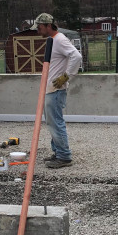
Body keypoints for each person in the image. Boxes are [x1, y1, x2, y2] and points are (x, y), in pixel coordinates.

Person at [34, 13, 82, 168]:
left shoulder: (60, 40)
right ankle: (58, 152)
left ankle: (64, 156)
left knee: (56, 122)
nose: (38, 31)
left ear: (48, 26)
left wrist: (66, 76)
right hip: (51, 89)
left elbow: (76, 56)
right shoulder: (53, 41)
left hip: (56, 90)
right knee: (52, 122)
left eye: (40, 27)